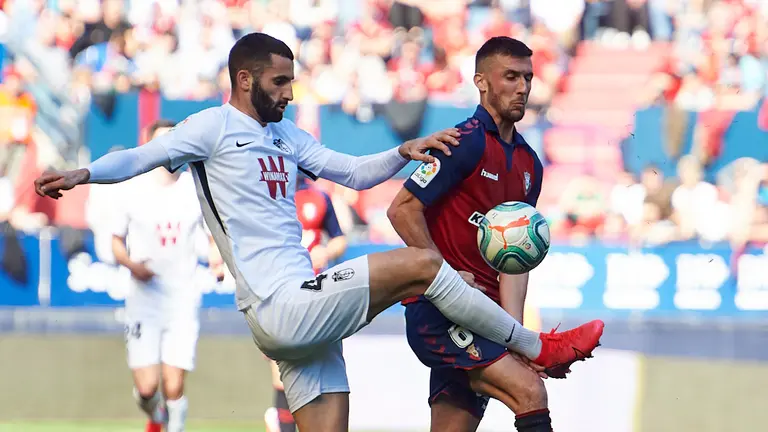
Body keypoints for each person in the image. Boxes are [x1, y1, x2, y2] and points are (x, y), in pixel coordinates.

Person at [34, 32, 604, 432]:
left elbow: (353, 173)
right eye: (279, 82)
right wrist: (83, 174)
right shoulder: (213, 126)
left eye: (292, 82)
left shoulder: (288, 137)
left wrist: (403, 152)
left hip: (305, 319)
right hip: (279, 304)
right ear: (244, 78)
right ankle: (537, 347)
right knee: (424, 268)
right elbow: (143, 155)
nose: (288, 93)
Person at [388, 36, 581, 432]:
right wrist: (442, 275)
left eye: (528, 77)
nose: (523, 87)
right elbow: (402, 209)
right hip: (439, 311)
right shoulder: (461, 142)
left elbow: (516, 261)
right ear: (481, 81)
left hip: (484, 318)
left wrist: (513, 334)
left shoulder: (530, 164)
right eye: (511, 76)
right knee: (530, 393)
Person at [112, 120, 223, 432]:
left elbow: (213, 234)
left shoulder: (195, 188)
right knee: (147, 388)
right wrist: (134, 267)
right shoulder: (133, 189)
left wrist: (217, 261)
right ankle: (155, 414)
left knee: (174, 384)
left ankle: (176, 427)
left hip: (182, 298)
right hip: (143, 299)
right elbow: (116, 243)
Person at [265, 173, 348, 432]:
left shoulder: (319, 196)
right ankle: (281, 422)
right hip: (279, 292)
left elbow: (339, 238)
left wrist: (327, 251)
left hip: (316, 293)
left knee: (319, 374)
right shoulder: (266, 196)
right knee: (282, 373)